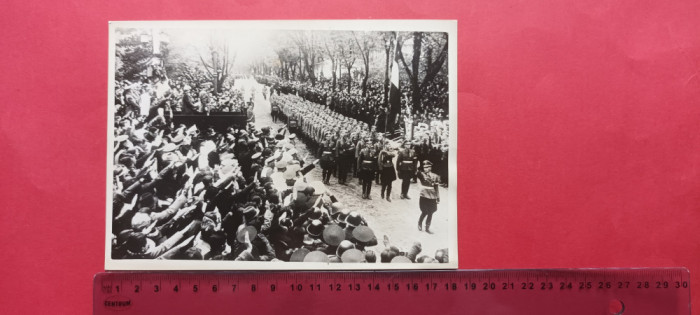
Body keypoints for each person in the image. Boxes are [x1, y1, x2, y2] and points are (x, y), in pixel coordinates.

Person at [417, 160, 440, 234]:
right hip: (424, 195)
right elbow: (416, 172)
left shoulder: (435, 176)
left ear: (430, 168)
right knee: (424, 211)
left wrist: (438, 196)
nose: (426, 169)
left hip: (432, 196)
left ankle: (427, 227)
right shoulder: (421, 174)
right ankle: (420, 222)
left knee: (431, 212)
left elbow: (436, 187)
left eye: (428, 167)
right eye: (425, 167)